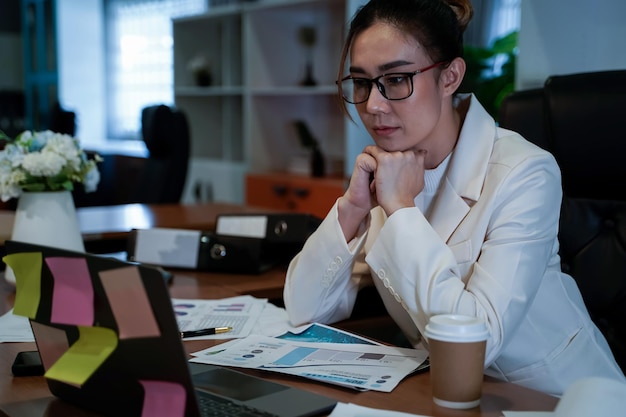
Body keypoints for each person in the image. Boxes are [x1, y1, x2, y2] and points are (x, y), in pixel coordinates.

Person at [283, 0, 625, 396]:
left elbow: (476, 344)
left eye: (395, 79)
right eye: (361, 82)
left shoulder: (525, 172)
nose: (373, 105)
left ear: (450, 77)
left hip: (556, 400)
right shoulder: (386, 170)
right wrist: (353, 209)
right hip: (447, 398)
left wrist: (400, 210)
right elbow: (302, 311)